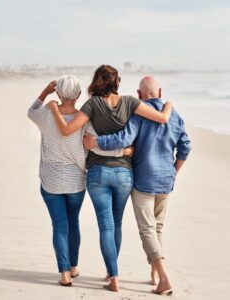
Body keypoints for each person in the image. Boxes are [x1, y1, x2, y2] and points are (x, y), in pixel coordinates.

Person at [48, 65, 173, 292]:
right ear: (118, 82)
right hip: (125, 174)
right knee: (116, 224)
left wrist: (55, 109)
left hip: (97, 173)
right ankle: (110, 273)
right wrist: (169, 105)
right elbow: (163, 118)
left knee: (106, 226)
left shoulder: (92, 104)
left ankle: (113, 277)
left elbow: (67, 130)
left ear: (96, 81)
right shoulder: (130, 102)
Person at [83, 76, 191, 295]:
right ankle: (154, 274)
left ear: (140, 95)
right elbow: (185, 147)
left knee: (147, 229)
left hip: (144, 180)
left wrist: (97, 142)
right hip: (165, 180)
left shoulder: (139, 115)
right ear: (159, 92)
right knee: (157, 227)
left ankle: (164, 278)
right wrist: (173, 171)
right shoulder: (175, 115)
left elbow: (123, 138)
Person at [27, 75, 133, 287]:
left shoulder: (47, 114)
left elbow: (31, 111)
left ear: (59, 93)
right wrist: (124, 151)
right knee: (73, 223)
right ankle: (74, 266)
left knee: (59, 226)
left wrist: (45, 92)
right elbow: (93, 145)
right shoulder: (84, 119)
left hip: (51, 179)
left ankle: (65, 274)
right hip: (76, 180)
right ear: (77, 95)